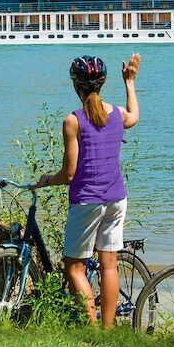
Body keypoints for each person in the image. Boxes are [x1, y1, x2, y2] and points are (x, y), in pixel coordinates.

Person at [32, 53, 141, 329]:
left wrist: (46, 180)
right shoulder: (116, 114)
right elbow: (135, 117)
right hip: (117, 198)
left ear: (75, 85)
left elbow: (69, 173)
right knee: (109, 265)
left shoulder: (73, 121)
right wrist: (129, 82)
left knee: (74, 268)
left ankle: (91, 327)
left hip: (87, 201)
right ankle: (106, 330)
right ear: (102, 84)